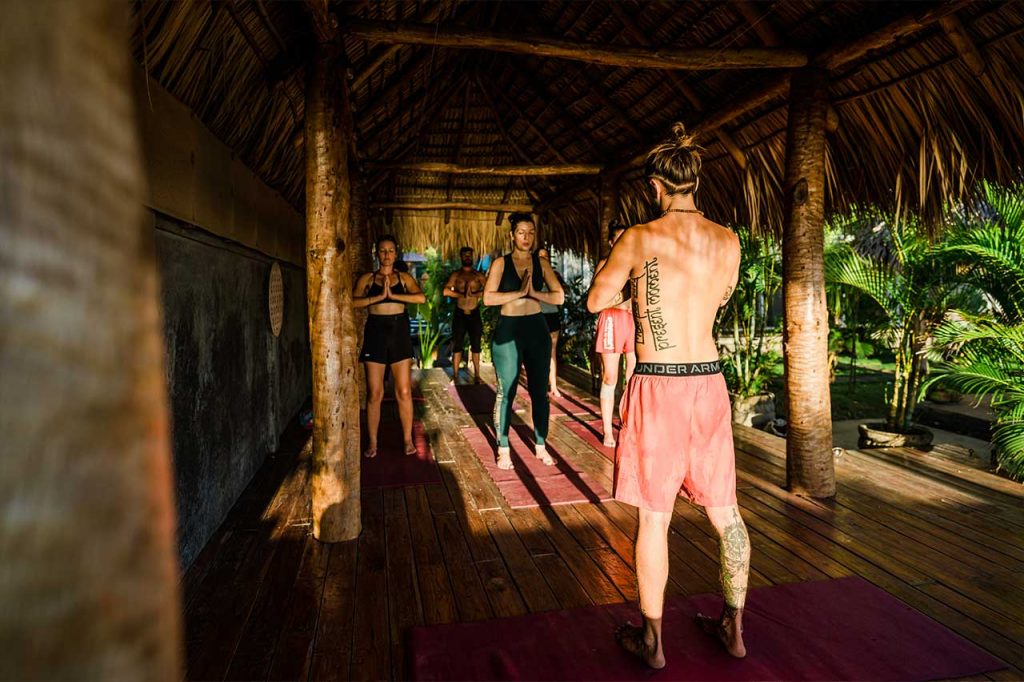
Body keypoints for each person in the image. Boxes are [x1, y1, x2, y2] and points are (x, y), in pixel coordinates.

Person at [587, 123, 750, 668]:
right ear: (696, 182)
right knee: (727, 513)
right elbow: (721, 297)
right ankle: (734, 628)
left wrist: (630, 274)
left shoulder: (639, 237)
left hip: (660, 381)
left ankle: (654, 643)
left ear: (657, 186)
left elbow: (594, 302)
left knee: (655, 517)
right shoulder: (729, 241)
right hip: (709, 379)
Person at [483, 214, 564, 470]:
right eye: (521, 232)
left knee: (540, 392)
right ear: (512, 235)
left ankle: (541, 446)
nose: (526, 237)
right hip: (509, 329)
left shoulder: (541, 264)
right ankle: (503, 448)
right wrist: (519, 292)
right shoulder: (500, 264)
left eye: (530, 233)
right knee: (505, 392)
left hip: (536, 329)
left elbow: (559, 296)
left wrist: (534, 293)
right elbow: (488, 299)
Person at [353, 235, 426, 458]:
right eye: (382, 251)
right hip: (375, 331)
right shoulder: (368, 278)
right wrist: (377, 299)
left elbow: (421, 298)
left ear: (396, 253)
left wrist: (393, 295)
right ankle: (373, 442)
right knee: (375, 392)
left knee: (403, 390)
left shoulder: (404, 278)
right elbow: (352, 301)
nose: (386, 255)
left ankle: (407, 439)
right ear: (377, 253)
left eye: (390, 251)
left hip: (398, 332)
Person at [592, 220, 637, 446]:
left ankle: (628, 423)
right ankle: (608, 430)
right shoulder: (604, 264)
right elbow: (595, 300)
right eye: (617, 239)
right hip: (611, 319)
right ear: (611, 242)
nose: (622, 243)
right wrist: (621, 305)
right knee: (611, 376)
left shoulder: (637, 265)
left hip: (633, 322)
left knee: (633, 376)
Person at [443, 246, 487, 384]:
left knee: (476, 345)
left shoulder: (478, 275)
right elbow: (445, 291)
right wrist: (461, 294)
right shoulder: (456, 275)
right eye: (465, 255)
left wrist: (474, 294)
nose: (467, 257)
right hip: (460, 313)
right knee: (457, 345)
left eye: (469, 255)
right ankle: (455, 376)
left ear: (472, 257)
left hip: (474, 313)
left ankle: (477, 376)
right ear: (461, 257)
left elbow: (489, 291)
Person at [536, 247, 564, 399]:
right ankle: (539, 385)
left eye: (545, 256)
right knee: (538, 352)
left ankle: (553, 386)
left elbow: (562, 293)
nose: (543, 259)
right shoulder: (533, 275)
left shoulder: (555, 275)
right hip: (538, 315)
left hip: (552, 314)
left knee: (552, 352)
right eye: (540, 256)